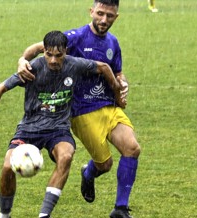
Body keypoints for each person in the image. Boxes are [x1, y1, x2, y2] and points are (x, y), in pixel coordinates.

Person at [0, 30, 124, 218]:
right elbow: (0, 88)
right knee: (6, 166)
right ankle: (5, 215)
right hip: (29, 128)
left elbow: (103, 67)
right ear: (43, 51)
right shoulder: (32, 69)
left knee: (66, 156)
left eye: (58, 55)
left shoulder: (74, 65)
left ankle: (44, 215)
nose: (53, 60)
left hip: (58, 129)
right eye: (49, 54)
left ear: (66, 52)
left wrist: (117, 93)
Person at [17, 1, 141, 217]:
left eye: (109, 16)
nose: (104, 20)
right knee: (105, 165)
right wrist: (22, 61)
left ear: (116, 17)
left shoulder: (113, 42)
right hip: (83, 112)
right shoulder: (75, 37)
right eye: (100, 14)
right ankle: (88, 172)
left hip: (109, 106)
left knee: (132, 149)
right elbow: (39, 48)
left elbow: (118, 72)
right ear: (91, 11)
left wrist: (123, 82)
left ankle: (120, 209)